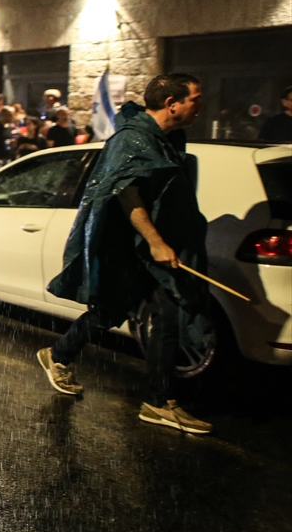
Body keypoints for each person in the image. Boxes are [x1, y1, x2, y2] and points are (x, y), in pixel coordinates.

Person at [40, 73, 215, 434]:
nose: (201, 105)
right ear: (172, 103)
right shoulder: (132, 139)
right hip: (128, 245)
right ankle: (62, 356)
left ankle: (156, 400)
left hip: (147, 246)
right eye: (195, 98)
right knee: (114, 310)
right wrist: (155, 242)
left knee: (159, 314)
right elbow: (127, 193)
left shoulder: (162, 138)